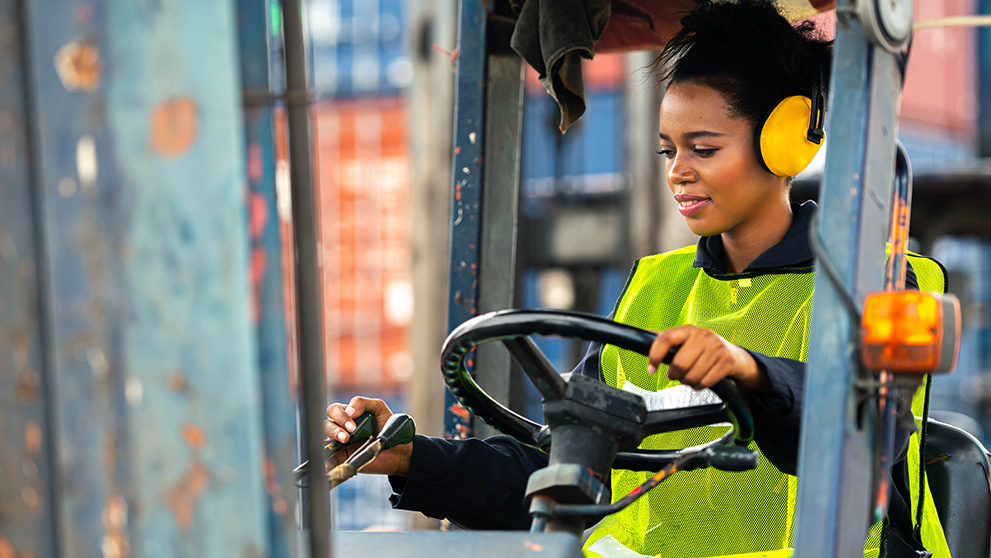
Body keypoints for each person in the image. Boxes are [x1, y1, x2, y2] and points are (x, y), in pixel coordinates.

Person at [325, 2, 949, 557]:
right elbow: (567, 472)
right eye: (667, 150)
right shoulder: (656, 287)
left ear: (785, 143)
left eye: (703, 149)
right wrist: (408, 458)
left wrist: (750, 371)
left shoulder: (876, 282)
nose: (678, 172)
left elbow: (860, 436)